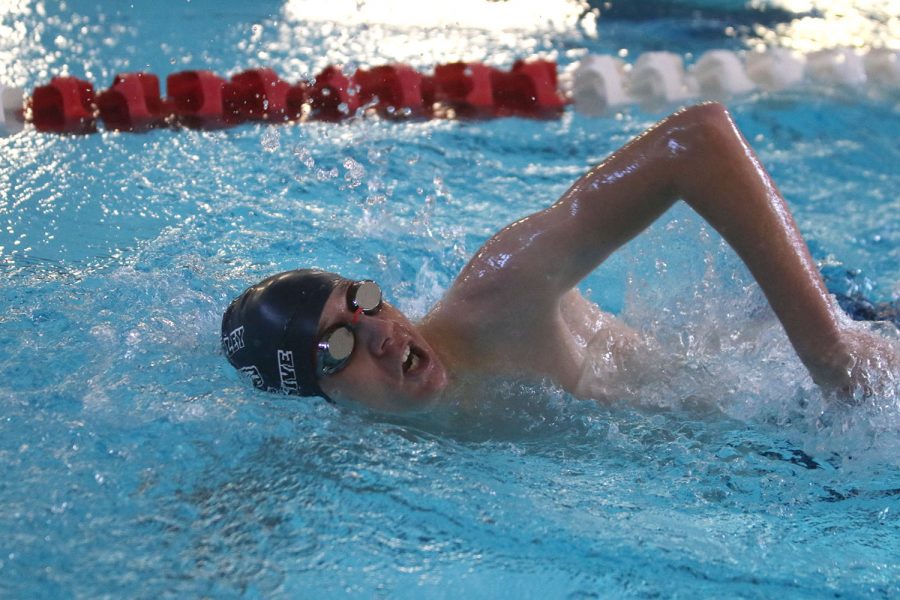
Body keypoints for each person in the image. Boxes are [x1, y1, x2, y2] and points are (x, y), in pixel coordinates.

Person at [221, 102, 898, 412]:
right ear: (322, 401)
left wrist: (831, 350)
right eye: (337, 347)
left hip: (790, 354)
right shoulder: (378, 443)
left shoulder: (500, 297)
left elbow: (695, 140)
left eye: (361, 301)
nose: (379, 330)